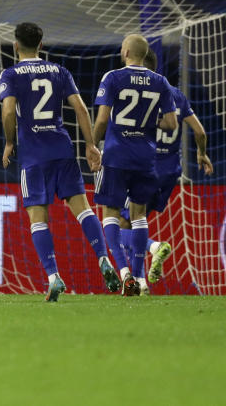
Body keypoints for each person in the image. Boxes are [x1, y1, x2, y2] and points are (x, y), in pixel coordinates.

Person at [0, 22, 120, 302]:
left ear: (16, 45)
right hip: (62, 148)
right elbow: (79, 107)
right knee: (83, 209)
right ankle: (103, 258)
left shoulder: (11, 74)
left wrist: (8, 141)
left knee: (38, 218)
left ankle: (53, 277)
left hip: (33, 155)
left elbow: (7, 112)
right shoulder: (59, 71)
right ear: (41, 45)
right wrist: (90, 145)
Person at [117, 49, 214, 284]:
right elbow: (200, 131)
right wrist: (201, 154)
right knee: (136, 222)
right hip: (170, 173)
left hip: (145, 168)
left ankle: (154, 248)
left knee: (120, 225)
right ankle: (141, 281)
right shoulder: (177, 95)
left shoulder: (140, 93)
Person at [93, 34, 177, 296]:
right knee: (139, 215)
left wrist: (92, 145)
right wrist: (148, 123)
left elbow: (103, 119)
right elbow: (172, 124)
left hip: (117, 155)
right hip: (146, 157)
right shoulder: (160, 82)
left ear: (127, 51)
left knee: (110, 214)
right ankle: (140, 280)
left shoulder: (113, 77)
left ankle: (124, 273)